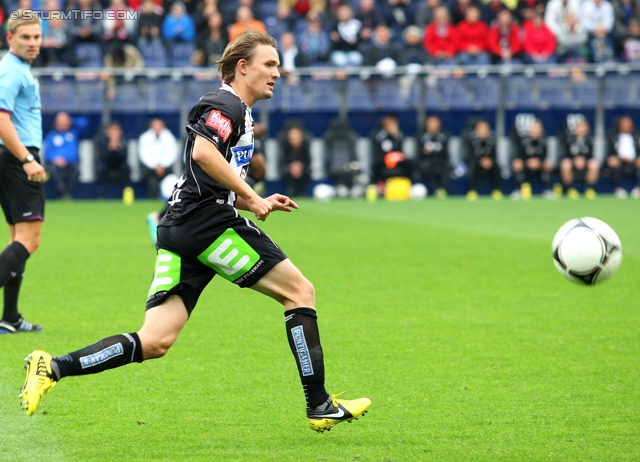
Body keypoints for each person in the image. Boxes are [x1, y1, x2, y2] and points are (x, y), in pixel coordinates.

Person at [21, 30, 371, 433]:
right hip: (207, 225)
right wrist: (252, 197)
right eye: (269, 65)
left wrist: (250, 199)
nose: (278, 72)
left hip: (181, 226)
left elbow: (206, 175)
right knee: (300, 292)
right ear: (243, 67)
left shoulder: (238, 109)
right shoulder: (226, 103)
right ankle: (319, 404)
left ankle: (53, 368)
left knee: (155, 341)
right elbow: (204, 153)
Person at [0, 11, 47, 334]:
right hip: (17, 158)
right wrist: (27, 159)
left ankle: (10, 318)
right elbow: (1, 119)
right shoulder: (12, 72)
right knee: (30, 240)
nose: (32, 43)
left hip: (12, 158)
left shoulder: (19, 70)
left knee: (17, 238)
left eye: (36, 37)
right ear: (10, 38)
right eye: (25, 37)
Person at [43, 112, 88, 199]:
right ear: (56, 123)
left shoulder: (74, 133)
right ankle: (62, 191)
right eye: (60, 121)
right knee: (52, 169)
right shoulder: (51, 135)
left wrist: (71, 120)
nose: (63, 123)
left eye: (65, 121)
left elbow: (84, 122)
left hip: (72, 163)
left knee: (76, 170)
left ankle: (69, 192)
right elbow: (47, 154)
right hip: (56, 164)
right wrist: (56, 159)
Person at [510, 118, 554, 199]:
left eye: (538, 128)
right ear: (530, 129)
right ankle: (518, 190)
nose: (536, 130)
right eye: (534, 128)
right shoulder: (523, 140)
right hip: (526, 164)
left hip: (539, 165)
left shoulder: (543, 140)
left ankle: (548, 190)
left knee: (547, 164)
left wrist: (539, 161)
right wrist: (527, 161)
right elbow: (519, 154)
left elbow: (545, 155)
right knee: (517, 164)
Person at [138, 119, 179, 199]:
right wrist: (155, 166)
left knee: (171, 181)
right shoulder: (145, 137)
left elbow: (172, 153)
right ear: (151, 127)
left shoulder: (169, 136)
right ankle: (153, 201)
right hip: (151, 169)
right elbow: (144, 155)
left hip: (166, 168)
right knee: (151, 183)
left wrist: (162, 165)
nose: (157, 128)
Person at [558, 119, 599, 199]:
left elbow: (591, 155)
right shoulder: (569, 140)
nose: (581, 130)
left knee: (594, 164)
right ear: (575, 129)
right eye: (579, 128)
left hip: (585, 163)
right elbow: (565, 154)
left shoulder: (589, 140)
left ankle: (589, 189)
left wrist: (584, 160)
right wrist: (574, 160)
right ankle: (570, 189)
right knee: (565, 164)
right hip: (572, 161)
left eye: (583, 128)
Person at [371, 113, 411, 189]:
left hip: (396, 161)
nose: (391, 124)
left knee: (409, 163)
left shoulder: (399, 135)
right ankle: (380, 185)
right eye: (389, 121)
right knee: (376, 164)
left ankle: (408, 185)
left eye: (393, 122)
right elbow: (377, 152)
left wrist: (395, 136)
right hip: (382, 161)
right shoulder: (378, 135)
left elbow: (400, 151)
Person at [465, 120, 502, 200]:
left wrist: (490, 161)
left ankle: (497, 190)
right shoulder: (471, 139)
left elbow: (495, 155)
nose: (483, 131)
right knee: (472, 167)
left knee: (497, 167)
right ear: (476, 130)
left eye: (485, 128)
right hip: (476, 163)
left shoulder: (492, 139)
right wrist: (480, 161)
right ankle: (472, 190)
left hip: (489, 163)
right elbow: (468, 156)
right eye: (480, 128)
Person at [605, 115, 640, 198]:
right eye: (624, 122)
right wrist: (620, 158)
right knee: (612, 160)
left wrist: (634, 159)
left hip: (633, 161)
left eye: (629, 122)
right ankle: (618, 189)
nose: (627, 125)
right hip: (619, 160)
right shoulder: (613, 136)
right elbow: (609, 153)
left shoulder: (636, 136)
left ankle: (638, 188)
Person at [416, 115, 450, 198]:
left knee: (446, 166)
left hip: (440, 160)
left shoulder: (444, 135)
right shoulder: (421, 136)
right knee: (426, 165)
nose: (434, 125)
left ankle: (442, 189)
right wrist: (424, 151)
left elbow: (446, 153)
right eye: (431, 122)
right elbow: (418, 153)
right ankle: (432, 187)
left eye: (435, 122)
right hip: (426, 160)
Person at [95, 121, 130, 198]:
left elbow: (125, 157)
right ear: (108, 132)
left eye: (117, 131)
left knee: (126, 168)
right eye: (113, 131)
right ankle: (100, 193)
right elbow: (101, 157)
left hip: (119, 164)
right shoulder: (102, 141)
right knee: (100, 168)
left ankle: (127, 192)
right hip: (106, 164)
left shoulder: (124, 141)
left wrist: (118, 149)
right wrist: (110, 149)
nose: (115, 134)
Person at [279, 122, 311, 197]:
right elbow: (281, 162)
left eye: (297, 138)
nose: (295, 141)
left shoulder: (305, 147)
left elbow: (308, 161)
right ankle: (291, 190)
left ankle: (301, 191)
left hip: (303, 171)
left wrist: (300, 166)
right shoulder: (284, 147)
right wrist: (291, 167)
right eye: (292, 139)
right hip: (288, 171)